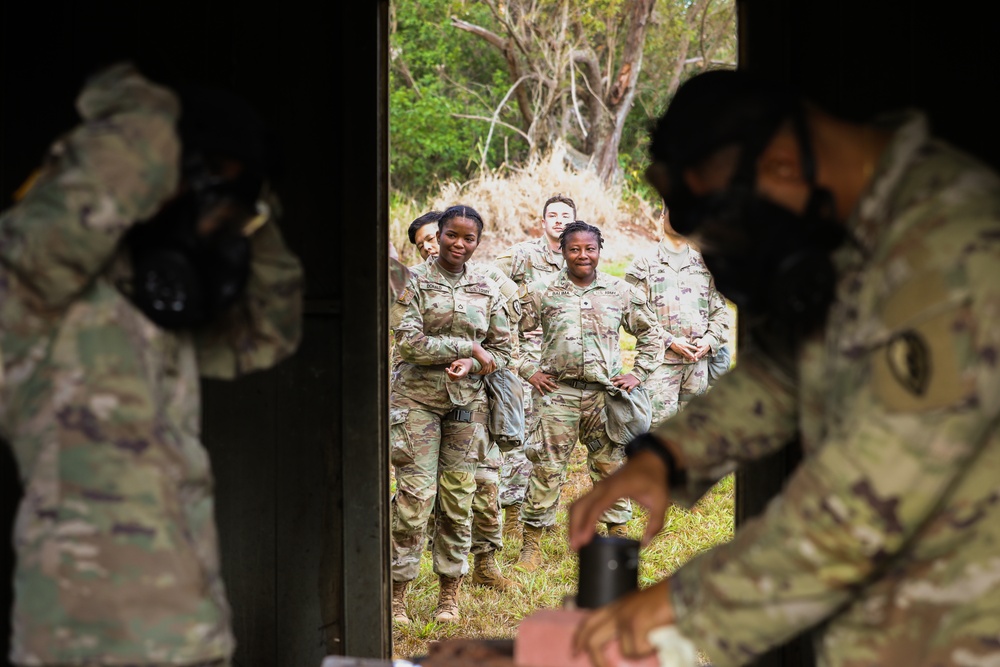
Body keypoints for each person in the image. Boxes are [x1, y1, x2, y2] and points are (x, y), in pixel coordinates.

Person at [567, 69, 1000, 667]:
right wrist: (669, 457)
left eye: (727, 228)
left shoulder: (955, 244)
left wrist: (683, 607)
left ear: (782, 166)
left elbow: (865, 502)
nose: (727, 256)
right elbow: (787, 369)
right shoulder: (851, 229)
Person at [0, 62, 304, 667]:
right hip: (84, 643)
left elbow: (268, 332)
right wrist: (145, 133)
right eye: (204, 193)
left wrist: (253, 211)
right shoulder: (38, 308)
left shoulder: (155, 315)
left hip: (191, 634)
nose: (214, 227)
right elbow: (40, 249)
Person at [513, 221, 663, 573]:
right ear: (562, 252)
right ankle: (531, 544)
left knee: (610, 467)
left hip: (605, 398)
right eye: (574, 249)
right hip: (557, 395)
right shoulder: (542, 290)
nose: (583, 255)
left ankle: (618, 532)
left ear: (600, 250)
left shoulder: (619, 291)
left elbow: (652, 334)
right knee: (547, 469)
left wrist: (637, 373)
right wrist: (527, 369)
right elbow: (506, 333)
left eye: (589, 248)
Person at [389, 205, 514, 624]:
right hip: (416, 402)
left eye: (469, 238)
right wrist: (466, 347)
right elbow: (409, 343)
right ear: (437, 236)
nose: (459, 244)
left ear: (478, 242)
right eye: (451, 236)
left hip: (467, 405)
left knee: (459, 499)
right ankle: (398, 596)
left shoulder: (486, 286)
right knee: (415, 499)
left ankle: (449, 595)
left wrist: (476, 362)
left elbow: (501, 351)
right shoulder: (411, 281)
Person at [493, 194, 575, 539]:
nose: (558, 220)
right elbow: (488, 280)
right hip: (526, 358)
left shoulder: (582, 255)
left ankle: (542, 513)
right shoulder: (522, 255)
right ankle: (511, 514)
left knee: (554, 441)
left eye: (565, 215)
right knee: (520, 438)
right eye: (552, 215)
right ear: (542, 222)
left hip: (564, 362)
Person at [625, 207, 730, 424]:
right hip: (658, 366)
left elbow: (721, 312)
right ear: (662, 218)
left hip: (697, 367)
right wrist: (670, 341)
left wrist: (709, 341)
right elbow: (631, 315)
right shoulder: (643, 265)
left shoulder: (707, 265)